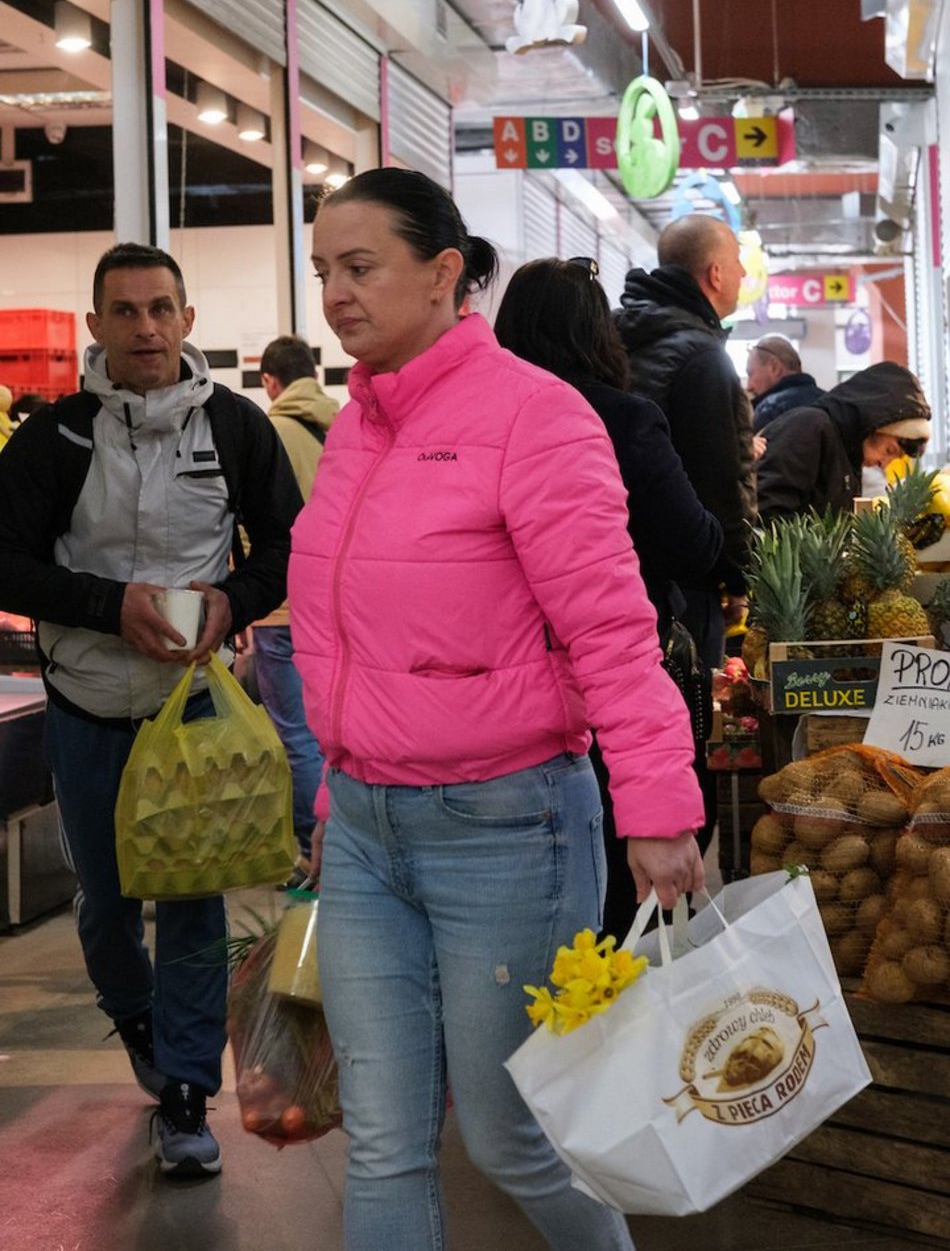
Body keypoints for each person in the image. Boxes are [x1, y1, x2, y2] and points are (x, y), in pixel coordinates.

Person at [289, 168, 705, 1251]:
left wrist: (657, 805)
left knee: (510, 1136)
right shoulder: (354, 432)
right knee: (380, 1143)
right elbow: (350, 642)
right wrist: (335, 795)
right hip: (366, 834)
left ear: (442, 273)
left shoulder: (536, 418)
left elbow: (612, 632)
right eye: (323, 270)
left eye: (359, 267)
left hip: (506, 828)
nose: (334, 292)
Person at [0, 242, 301, 1177]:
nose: (144, 327)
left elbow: (290, 543)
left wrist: (234, 601)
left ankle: (184, 1092)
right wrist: (106, 604)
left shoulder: (237, 427)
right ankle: (134, 1015)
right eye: (124, 311)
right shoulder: (53, 441)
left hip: (195, 708)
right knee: (106, 902)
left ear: (188, 320)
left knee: (192, 895)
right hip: (88, 702)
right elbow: (5, 561)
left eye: (160, 308)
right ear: (95, 326)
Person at [494, 254, 723, 938]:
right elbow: (696, 544)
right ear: (599, 336)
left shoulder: (484, 419)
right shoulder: (624, 419)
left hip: (507, 703)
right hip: (608, 685)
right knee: (625, 904)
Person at [615, 215, 757, 673]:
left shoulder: (616, 337)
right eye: (737, 262)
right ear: (715, 274)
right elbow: (719, 478)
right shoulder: (702, 356)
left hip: (615, 562)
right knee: (687, 714)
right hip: (685, 577)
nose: (744, 274)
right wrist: (736, 574)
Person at [253, 334, 338, 876]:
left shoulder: (272, 430)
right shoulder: (341, 424)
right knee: (332, 732)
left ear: (269, 382)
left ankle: (314, 852)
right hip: (334, 604)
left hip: (282, 604)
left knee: (296, 735)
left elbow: (251, 524)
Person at [756, 360, 931, 521]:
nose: (884, 464)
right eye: (889, 451)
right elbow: (768, 509)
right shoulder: (810, 427)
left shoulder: (848, 453)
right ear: (873, 425)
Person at [746, 333, 825, 430]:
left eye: (751, 374)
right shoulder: (828, 403)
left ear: (774, 367)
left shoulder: (770, 409)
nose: (749, 387)